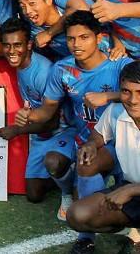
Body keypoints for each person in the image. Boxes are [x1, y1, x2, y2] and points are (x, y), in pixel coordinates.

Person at [14, 10, 133, 252]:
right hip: (85, 136)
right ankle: (84, 233)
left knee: (121, 189)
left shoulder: (120, 64)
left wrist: (109, 96)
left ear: (99, 38)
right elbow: (47, 111)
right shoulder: (62, 69)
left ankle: (129, 229)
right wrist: (28, 116)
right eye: (71, 39)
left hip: (121, 139)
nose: (76, 44)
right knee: (65, 161)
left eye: (84, 37)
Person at [0, 17, 77, 220]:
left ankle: (70, 189)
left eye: (17, 45)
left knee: (54, 162)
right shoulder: (19, 62)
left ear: (29, 45)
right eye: (7, 45)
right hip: (42, 133)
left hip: (63, 130)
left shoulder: (43, 72)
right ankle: (67, 175)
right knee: (33, 194)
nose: (12, 51)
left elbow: (53, 121)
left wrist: (17, 130)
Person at [66, 61, 140, 254]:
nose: (132, 100)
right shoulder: (117, 111)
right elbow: (99, 134)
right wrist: (91, 144)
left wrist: (131, 190)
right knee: (77, 215)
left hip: (133, 189)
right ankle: (121, 229)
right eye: (126, 91)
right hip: (132, 190)